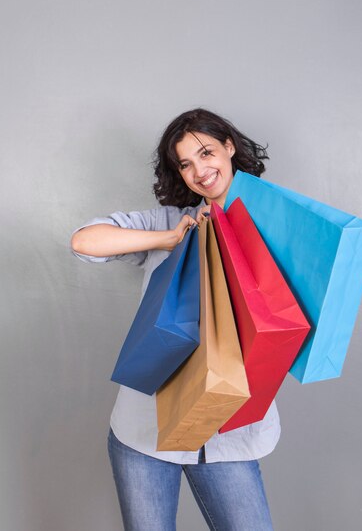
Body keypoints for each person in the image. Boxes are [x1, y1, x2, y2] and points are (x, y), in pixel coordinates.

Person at [70, 108, 281, 531]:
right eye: (185, 163)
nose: (199, 171)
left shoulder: (271, 226)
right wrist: (170, 239)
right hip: (145, 432)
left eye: (206, 153)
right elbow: (83, 242)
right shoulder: (169, 220)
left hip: (228, 434)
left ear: (229, 147)